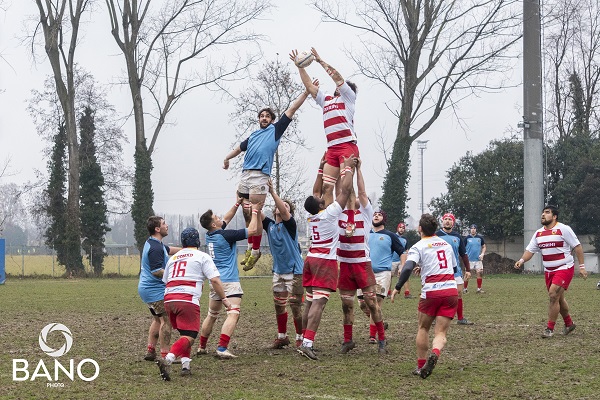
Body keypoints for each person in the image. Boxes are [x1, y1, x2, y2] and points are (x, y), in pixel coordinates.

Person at [223, 88, 312, 271]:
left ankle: (255, 251)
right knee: (246, 212)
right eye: (261, 116)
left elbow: (292, 108)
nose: (264, 118)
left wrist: (306, 92)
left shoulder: (276, 130)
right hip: (245, 174)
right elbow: (239, 149)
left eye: (267, 116)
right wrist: (226, 158)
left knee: (256, 212)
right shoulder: (254, 135)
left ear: (272, 119)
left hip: (259, 176)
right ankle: (250, 247)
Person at [297, 155, 357, 361]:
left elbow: (316, 192)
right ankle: (307, 343)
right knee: (319, 304)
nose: (322, 195)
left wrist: (321, 169)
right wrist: (347, 169)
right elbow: (347, 191)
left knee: (310, 302)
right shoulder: (329, 213)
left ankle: (303, 338)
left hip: (311, 258)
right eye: (320, 198)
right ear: (319, 204)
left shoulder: (312, 216)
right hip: (324, 261)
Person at [156, 228, 231, 381]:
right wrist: (225, 299)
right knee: (190, 335)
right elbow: (215, 280)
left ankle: (185, 366)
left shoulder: (173, 258)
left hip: (169, 299)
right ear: (198, 241)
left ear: (183, 242)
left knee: (184, 333)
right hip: (187, 299)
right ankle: (168, 360)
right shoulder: (202, 256)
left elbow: (165, 280)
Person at [390, 213, 458, 379]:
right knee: (440, 333)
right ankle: (435, 352)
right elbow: (454, 269)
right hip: (450, 290)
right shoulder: (446, 245)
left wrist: (398, 287)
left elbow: (406, 268)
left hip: (431, 292)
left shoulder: (418, 246)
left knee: (423, 328)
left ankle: (421, 366)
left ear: (420, 228)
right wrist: (426, 267)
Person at [291, 47, 359, 206]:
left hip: (346, 145)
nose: (337, 87)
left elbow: (337, 77)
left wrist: (320, 61)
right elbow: (309, 86)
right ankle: (330, 219)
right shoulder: (326, 100)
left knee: (345, 187)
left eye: (340, 86)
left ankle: (350, 221)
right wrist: (300, 67)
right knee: (326, 187)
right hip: (332, 148)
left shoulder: (348, 98)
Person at [196, 197, 262, 358]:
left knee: (212, 315)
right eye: (216, 218)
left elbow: (226, 218)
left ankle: (202, 347)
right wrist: (254, 211)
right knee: (233, 313)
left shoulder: (210, 235)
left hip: (215, 281)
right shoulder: (227, 235)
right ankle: (222, 348)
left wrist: (237, 204)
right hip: (229, 282)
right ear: (213, 224)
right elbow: (253, 231)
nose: (220, 218)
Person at [337, 159, 388, 355]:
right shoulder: (339, 214)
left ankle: (382, 338)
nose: (353, 197)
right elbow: (342, 191)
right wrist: (344, 170)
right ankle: (348, 340)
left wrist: (357, 169)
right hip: (346, 266)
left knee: (372, 303)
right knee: (346, 306)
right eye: (351, 195)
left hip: (362, 265)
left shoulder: (366, 214)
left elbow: (362, 192)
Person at [514, 205, 587, 338]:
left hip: (564, 268)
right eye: (542, 213)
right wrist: (521, 260)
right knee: (558, 299)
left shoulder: (563, 229)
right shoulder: (538, 233)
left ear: (554, 217)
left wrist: (581, 266)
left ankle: (549, 329)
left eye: (547, 212)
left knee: (553, 295)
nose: (543, 215)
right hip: (549, 271)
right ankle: (569, 324)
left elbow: (577, 246)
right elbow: (530, 251)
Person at [262, 179, 304, 349]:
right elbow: (255, 211)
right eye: (281, 205)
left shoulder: (290, 224)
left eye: (286, 206)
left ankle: (300, 337)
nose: (282, 207)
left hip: (295, 272)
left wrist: (273, 192)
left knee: (295, 306)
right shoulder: (270, 226)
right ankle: (282, 337)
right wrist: (247, 197)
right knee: (279, 305)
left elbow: (284, 212)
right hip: (278, 272)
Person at [138, 216, 181, 362]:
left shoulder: (155, 243)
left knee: (157, 319)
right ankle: (165, 355)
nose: (166, 225)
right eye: (164, 224)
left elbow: (168, 250)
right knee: (166, 321)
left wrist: (187, 251)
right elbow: (156, 271)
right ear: (157, 229)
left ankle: (151, 351)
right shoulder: (155, 247)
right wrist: (174, 276)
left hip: (147, 290)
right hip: (154, 291)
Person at [363, 210, 404, 344]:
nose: (376, 216)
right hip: (364, 272)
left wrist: (403, 265)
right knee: (363, 304)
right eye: (374, 214)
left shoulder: (390, 236)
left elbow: (402, 252)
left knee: (375, 303)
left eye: (379, 214)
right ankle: (379, 322)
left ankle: (372, 336)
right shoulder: (365, 233)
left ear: (384, 219)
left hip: (383, 274)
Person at [436, 213, 473, 325]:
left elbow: (464, 254)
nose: (447, 221)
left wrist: (468, 269)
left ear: (453, 222)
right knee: (439, 294)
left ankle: (460, 318)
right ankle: (436, 317)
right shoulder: (436, 235)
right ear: (442, 221)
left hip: (455, 270)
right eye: (445, 219)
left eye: (450, 219)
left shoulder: (457, 237)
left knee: (459, 293)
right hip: (440, 270)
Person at [391, 222, 411, 298]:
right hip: (392, 260)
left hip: (401, 261)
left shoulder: (405, 239)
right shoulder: (393, 236)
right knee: (390, 276)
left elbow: (406, 250)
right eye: (400, 227)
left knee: (405, 276)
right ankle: (388, 293)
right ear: (397, 228)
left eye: (403, 228)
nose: (401, 229)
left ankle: (407, 293)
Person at [464, 224, 486, 294]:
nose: (473, 229)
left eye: (474, 228)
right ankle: (465, 289)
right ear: (470, 230)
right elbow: (462, 248)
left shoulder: (480, 238)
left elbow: (484, 247)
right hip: (469, 260)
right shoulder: (466, 238)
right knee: (467, 274)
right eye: (472, 228)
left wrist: (482, 254)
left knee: (480, 273)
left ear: (476, 229)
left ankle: (479, 289)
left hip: (478, 260)